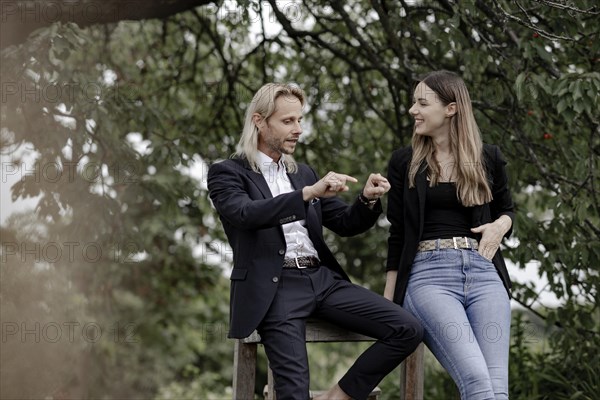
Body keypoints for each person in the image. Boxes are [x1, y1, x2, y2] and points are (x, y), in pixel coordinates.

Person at [208, 83, 423, 400]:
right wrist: (307, 194)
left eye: (299, 120)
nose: (298, 129)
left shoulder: (303, 173)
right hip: (276, 287)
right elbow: (246, 213)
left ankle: (337, 396)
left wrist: (366, 199)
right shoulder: (227, 172)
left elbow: (346, 224)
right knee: (294, 393)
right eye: (288, 121)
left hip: (322, 280)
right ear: (258, 120)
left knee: (409, 329)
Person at [384, 71, 515, 400]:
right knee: (476, 380)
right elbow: (397, 234)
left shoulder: (488, 158)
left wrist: (501, 225)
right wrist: (388, 303)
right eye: (414, 101)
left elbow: (508, 211)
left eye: (422, 103)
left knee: (497, 390)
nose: (413, 110)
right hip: (428, 277)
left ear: (451, 109)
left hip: (484, 271)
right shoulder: (405, 162)